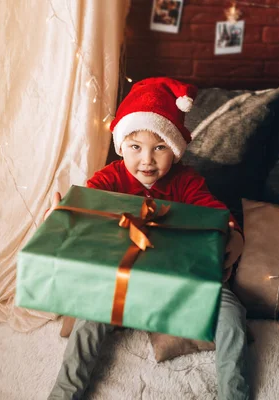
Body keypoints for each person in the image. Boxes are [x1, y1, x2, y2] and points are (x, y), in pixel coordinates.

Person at [47, 77, 250, 400]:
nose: (147, 160)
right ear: (121, 146)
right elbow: (86, 201)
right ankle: (64, 393)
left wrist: (234, 234)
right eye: (135, 147)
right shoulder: (111, 178)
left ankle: (234, 394)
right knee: (89, 315)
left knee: (232, 315)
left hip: (180, 274)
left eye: (160, 148)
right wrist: (65, 215)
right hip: (125, 276)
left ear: (175, 150)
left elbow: (215, 213)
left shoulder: (187, 181)